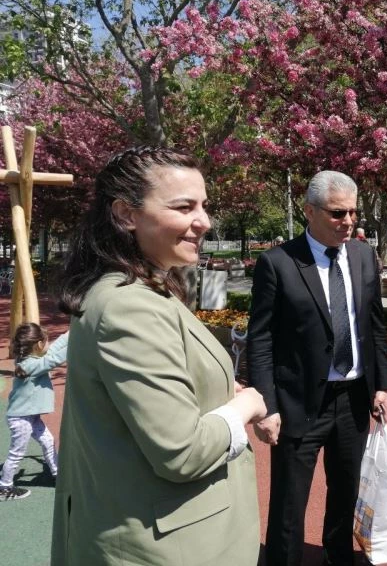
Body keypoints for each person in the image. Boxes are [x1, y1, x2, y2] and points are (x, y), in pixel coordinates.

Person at [52, 147, 267, 564]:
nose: (204, 221)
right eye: (184, 207)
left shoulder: (142, 291)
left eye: (203, 205)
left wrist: (222, 391)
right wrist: (247, 405)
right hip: (166, 546)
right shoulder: (130, 306)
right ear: (126, 214)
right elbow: (182, 452)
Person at [248, 170, 387, 566]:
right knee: (290, 500)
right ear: (309, 211)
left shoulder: (363, 256)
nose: (348, 221)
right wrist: (266, 406)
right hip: (298, 402)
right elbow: (260, 339)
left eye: (353, 212)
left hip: (354, 398)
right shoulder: (277, 263)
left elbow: (374, 325)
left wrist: (383, 384)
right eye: (337, 213)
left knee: (346, 492)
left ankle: (337, 556)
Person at [0, 323, 68, 500]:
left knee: (48, 441)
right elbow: (53, 359)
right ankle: (4, 486)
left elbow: (54, 350)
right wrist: (77, 345)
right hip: (21, 419)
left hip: (30, 416)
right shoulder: (30, 365)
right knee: (17, 453)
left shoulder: (30, 359)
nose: (49, 344)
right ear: (38, 345)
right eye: (46, 341)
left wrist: (73, 332)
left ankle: (57, 474)